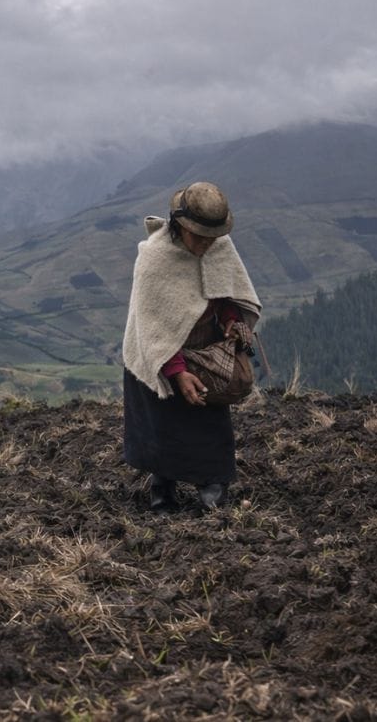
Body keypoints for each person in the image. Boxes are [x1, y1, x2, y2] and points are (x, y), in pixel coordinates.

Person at [121, 182, 261, 511]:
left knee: (208, 421)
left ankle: (212, 482)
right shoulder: (155, 258)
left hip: (204, 351)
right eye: (198, 236)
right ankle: (163, 485)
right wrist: (176, 371)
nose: (204, 244)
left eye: (210, 238)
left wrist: (229, 319)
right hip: (159, 356)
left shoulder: (219, 246)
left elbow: (223, 291)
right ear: (180, 225)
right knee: (162, 421)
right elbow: (151, 324)